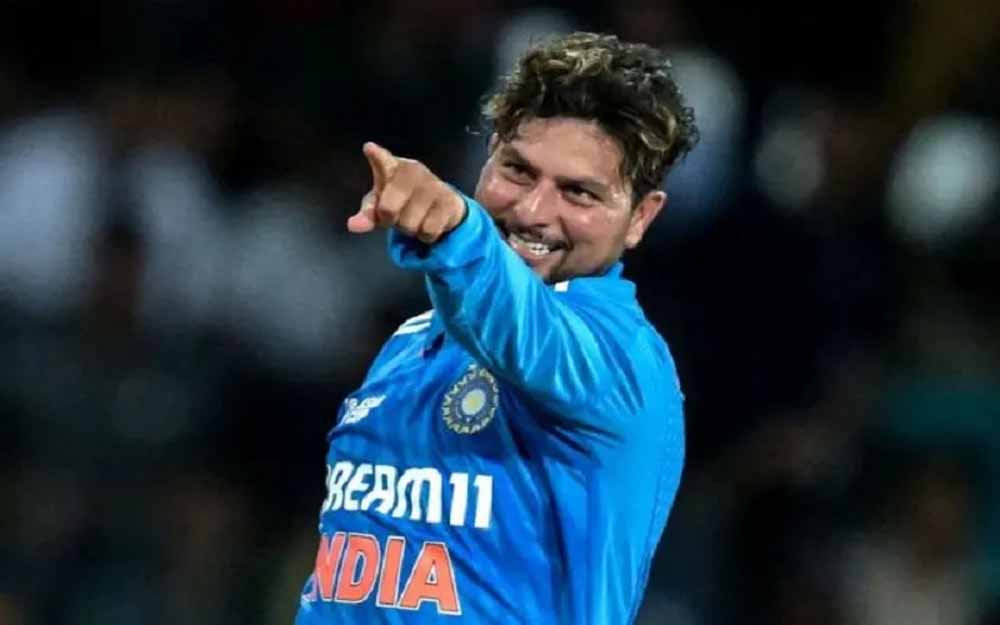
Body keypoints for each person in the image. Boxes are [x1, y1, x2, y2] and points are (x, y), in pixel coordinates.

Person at [295, 32, 698, 625]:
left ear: (640, 216)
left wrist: (457, 228)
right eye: (517, 170)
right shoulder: (409, 343)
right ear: (487, 157)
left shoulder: (624, 360)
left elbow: (527, 330)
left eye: (578, 193)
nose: (533, 211)